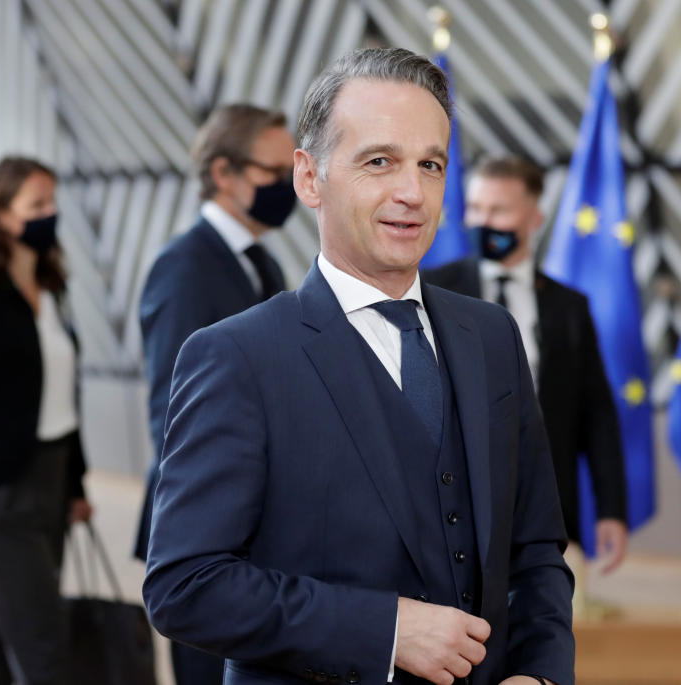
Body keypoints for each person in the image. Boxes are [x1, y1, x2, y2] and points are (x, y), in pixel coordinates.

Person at [143, 48, 574, 685]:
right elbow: (185, 585)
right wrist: (387, 630)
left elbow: (536, 551)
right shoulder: (236, 357)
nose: (412, 192)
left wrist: (539, 674)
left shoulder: (491, 336)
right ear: (310, 178)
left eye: (431, 165)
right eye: (380, 161)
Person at [135, 104, 296, 685]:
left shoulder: (264, 262)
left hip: (262, 526)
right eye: (272, 173)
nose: (288, 187)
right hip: (211, 530)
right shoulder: (184, 266)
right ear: (224, 173)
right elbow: (172, 408)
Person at [423, 157, 628, 574]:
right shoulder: (430, 289)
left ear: (534, 217)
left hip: (543, 508)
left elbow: (597, 413)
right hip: (449, 511)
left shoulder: (569, 307)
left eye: (499, 210)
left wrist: (612, 509)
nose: (484, 221)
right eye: (476, 209)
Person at [0, 156, 93, 685]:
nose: (50, 215)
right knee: (43, 636)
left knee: (5, 626)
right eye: (36, 205)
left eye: (52, 203)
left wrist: (75, 483)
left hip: (52, 472)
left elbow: (64, 396)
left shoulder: (51, 286)